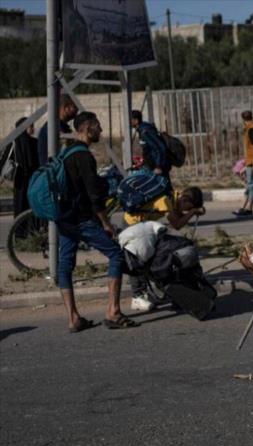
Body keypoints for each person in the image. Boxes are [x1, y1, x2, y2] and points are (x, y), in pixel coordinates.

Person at [57, 112, 139, 331]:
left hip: (64, 219)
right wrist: (105, 223)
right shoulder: (83, 156)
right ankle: (113, 312)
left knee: (64, 266)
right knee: (116, 254)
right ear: (87, 127)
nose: (101, 130)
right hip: (82, 220)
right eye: (98, 126)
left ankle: (73, 318)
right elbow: (94, 196)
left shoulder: (66, 153)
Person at [123, 186, 205, 311]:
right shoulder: (166, 200)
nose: (185, 211)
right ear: (185, 199)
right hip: (132, 224)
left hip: (142, 225)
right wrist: (193, 212)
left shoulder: (174, 198)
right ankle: (137, 296)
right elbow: (177, 224)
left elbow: (178, 217)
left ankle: (147, 292)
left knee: (152, 256)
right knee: (138, 258)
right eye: (187, 208)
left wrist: (191, 211)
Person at [3, 117, 39, 217]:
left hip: (21, 181)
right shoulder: (33, 142)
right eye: (31, 126)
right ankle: (28, 228)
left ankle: (20, 228)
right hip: (29, 179)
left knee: (21, 204)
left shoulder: (14, 142)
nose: (33, 129)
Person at [37, 94, 78, 167]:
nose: (76, 110)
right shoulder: (53, 128)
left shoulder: (60, 127)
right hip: (53, 174)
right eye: (74, 107)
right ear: (65, 108)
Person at [130, 110, 169, 179]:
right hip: (151, 165)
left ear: (136, 121)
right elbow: (148, 149)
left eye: (130, 120)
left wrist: (158, 166)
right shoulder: (142, 130)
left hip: (156, 166)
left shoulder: (145, 132)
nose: (128, 122)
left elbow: (160, 147)